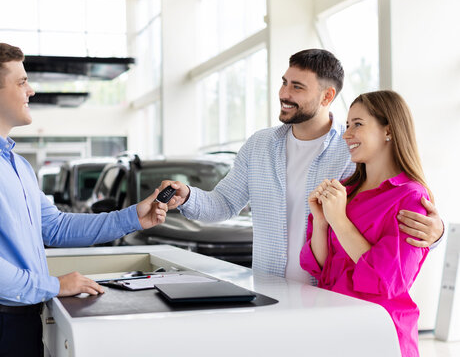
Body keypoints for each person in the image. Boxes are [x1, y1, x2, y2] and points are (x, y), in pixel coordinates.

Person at [0, 41, 168, 357]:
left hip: (18, 325)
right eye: (22, 82)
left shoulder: (16, 164)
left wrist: (133, 217)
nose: (32, 90)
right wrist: (55, 285)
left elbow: (54, 227)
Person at [161, 49, 443, 282]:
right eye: (284, 82)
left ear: (327, 96)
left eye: (297, 87)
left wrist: (436, 233)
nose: (284, 93)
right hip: (267, 290)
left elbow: (386, 207)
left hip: (328, 295)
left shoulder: (353, 151)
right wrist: (187, 196)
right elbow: (223, 203)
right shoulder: (258, 145)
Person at [300, 90, 431, 356]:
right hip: (334, 331)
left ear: (389, 131)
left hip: (379, 335)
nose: (347, 134)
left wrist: (339, 221)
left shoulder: (411, 198)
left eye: (358, 124)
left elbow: (388, 280)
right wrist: (323, 222)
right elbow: (323, 270)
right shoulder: (345, 191)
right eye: (347, 125)